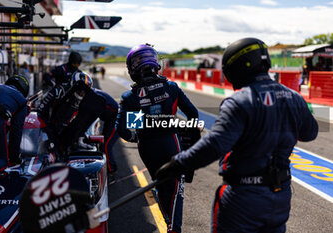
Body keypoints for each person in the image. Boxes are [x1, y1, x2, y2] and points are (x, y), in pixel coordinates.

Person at [156, 38, 318, 233]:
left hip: (243, 197)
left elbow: (215, 144)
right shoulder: (294, 97)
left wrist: (177, 164)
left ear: (236, 69)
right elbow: (310, 133)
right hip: (280, 195)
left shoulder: (239, 101)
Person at [116, 44, 199, 233]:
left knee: (160, 186)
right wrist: (185, 133)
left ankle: (168, 222)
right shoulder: (170, 87)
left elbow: (122, 130)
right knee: (176, 188)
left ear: (132, 68)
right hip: (171, 142)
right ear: (154, 62)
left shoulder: (130, 96)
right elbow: (193, 114)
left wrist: (137, 136)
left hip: (146, 146)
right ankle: (174, 229)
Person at [38, 71, 119, 173]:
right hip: (107, 116)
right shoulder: (59, 91)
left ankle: (111, 170)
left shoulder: (92, 100)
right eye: (80, 90)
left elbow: (85, 121)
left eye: (84, 91)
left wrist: (80, 136)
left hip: (116, 118)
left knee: (106, 145)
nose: (82, 93)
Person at [0, 74, 29, 195]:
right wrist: (13, 157)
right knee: (0, 160)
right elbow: (16, 130)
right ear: (24, 90)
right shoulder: (21, 100)